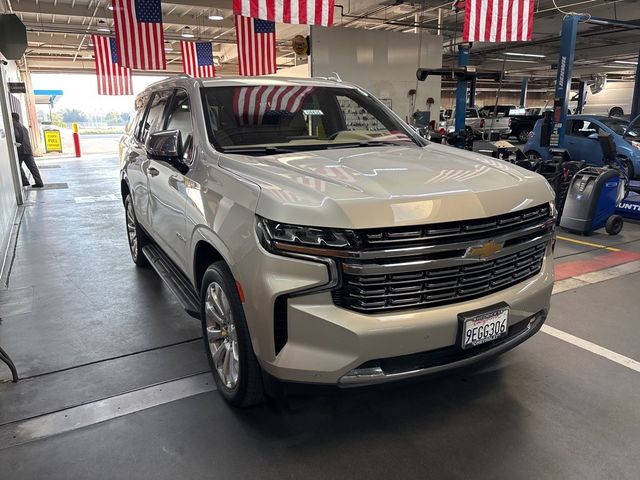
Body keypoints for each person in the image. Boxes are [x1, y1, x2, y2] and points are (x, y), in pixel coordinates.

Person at [11, 112, 43, 188]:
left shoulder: (14, 126)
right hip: (28, 150)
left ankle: (25, 182)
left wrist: (17, 143)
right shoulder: (23, 127)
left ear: (13, 119)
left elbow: (18, 136)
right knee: (33, 168)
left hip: (21, 151)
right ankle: (39, 182)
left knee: (17, 166)